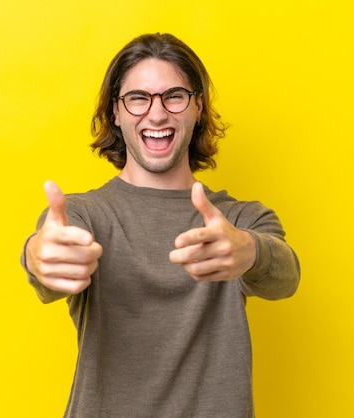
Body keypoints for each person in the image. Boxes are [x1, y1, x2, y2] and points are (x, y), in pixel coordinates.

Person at [21, 33, 300, 418]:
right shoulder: (82, 216)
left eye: (174, 96)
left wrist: (248, 251)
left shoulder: (238, 221)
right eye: (138, 98)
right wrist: (38, 257)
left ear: (198, 107)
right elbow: (46, 266)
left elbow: (286, 276)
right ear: (116, 112)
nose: (156, 114)